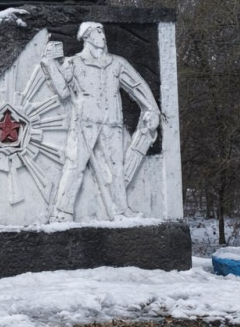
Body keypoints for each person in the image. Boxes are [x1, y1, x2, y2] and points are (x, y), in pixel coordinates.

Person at [41, 22, 160, 221]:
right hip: (84, 122)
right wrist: (49, 63)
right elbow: (62, 91)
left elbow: (137, 86)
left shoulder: (117, 63)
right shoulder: (74, 62)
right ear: (86, 36)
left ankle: (121, 211)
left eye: (103, 31)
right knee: (75, 166)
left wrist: (152, 109)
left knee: (116, 168)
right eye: (98, 32)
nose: (103, 35)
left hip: (112, 122)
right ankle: (62, 213)